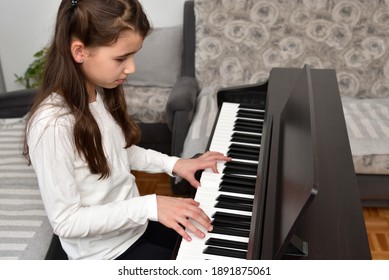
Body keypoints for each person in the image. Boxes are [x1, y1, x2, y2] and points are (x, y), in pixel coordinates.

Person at [23, 0, 230, 260]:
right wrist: (150, 205)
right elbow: (66, 222)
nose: (131, 68)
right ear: (79, 51)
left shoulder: (96, 94)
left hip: (133, 228)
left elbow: (118, 152)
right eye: (121, 58)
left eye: (134, 55)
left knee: (212, 235)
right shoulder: (52, 125)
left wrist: (176, 164)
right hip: (105, 254)